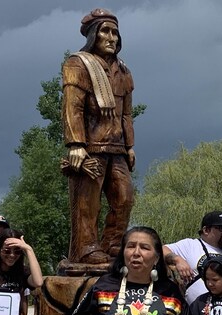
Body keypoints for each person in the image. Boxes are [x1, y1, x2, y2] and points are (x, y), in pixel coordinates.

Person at [62, 8, 135, 264]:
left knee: (125, 198)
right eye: (105, 31)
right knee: (87, 203)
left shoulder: (123, 71)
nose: (112, 37)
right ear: (93, 34)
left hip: (117, 148)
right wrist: (76, 144)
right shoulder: (78, 63)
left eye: (115, 32)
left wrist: (130, 145)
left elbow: (127, 114)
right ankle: (86, 248)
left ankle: (113, 245)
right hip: (90, 147)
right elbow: (73, 106)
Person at [52, 226, 193, 315]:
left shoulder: (170, 292)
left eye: (144, 248)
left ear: (156, 257)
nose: (136, 253)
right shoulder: (103, 286)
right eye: (131, 246)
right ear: (123, 253)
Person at [163, 211, 222, 303]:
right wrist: (177, 260)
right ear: (206, 230)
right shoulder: (191, 245)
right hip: (198, 311)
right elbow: (162, 250)